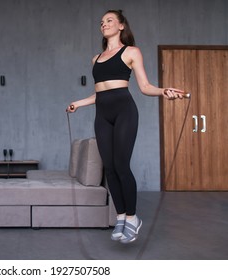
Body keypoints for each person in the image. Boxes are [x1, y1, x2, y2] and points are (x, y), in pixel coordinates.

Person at [66, 10, 185, 244]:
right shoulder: (96, 59)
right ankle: (120, 216)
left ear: (121, 26)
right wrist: (78, 103)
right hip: (102, 114)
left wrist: (163, 91)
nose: (104, 24)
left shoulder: (131, 52)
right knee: (109, 168)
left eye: (109, 20)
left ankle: (132, 218)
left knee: (121, 165)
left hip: (124, 111)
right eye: (101, 22)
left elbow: (144, 86)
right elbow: (100, 91)